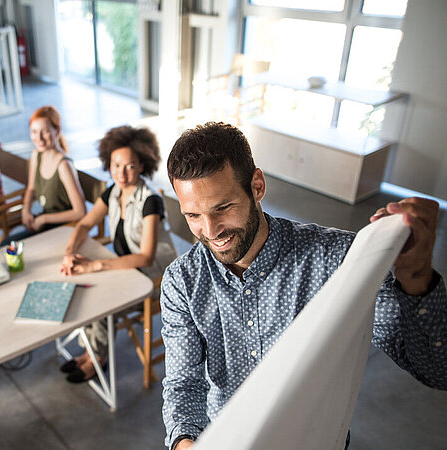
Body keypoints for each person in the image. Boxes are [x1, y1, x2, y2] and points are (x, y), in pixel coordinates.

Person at [160, 122, 447, 449]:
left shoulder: (337, 261)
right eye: (193, 215)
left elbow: (437, 371)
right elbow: (184, 384)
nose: (211, 230)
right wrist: (184, 442)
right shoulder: (181, 281)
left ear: (257, 185)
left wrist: (417, 281)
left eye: (223, 207)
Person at [59, 125, 177, 383]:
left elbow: (146, 257)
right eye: (116, 165)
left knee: (101, 301)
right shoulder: (113, 191)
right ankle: (91, 352)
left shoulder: (150, 202)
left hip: (154, 278)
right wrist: (69, 252)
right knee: (85, 287)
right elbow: (84, 224)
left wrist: (96, 265)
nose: (121, 174)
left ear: (143, 165)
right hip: (128, 268)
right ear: (108, 164)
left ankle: (96, 358)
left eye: (130, 166)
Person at [11, 106, 85, 240]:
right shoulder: (36, 155)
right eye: (34, 131)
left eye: (45, 132)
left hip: (63, 229)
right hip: (44, 224)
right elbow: (31, 189)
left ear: (57, 131)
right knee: (7, 245)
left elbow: (80, 212)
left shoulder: (64, 165)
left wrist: (44, 219)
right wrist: (26, 209)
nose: (39, 138)